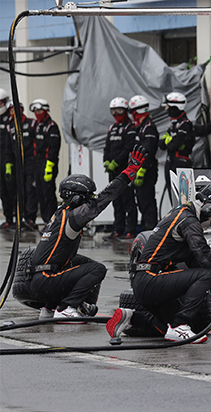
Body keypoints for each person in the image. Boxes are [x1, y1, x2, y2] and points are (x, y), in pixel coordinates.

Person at [106, 184, 211, 343]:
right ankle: (180, 324)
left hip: (145, 281)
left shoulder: (178, 214)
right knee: (207, 276)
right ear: (208, 209)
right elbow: (203, 255)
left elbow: (194, 261)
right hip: (151, 279)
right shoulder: (189, 221)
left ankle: (130, 318)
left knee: (166, 328)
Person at [28, 146, 146, 319]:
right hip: (46, 280)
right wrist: (129, 172)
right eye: (88, 196)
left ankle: (50, 308)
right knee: (97, 269)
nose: (91, 199)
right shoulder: (74, 216)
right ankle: (66, 308)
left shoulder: (59, 214)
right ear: (77, 198)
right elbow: (104, 198)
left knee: (79, 261)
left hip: (39, 281)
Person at [103, 97, 138, 239]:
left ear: (125, 111)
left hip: (125, 170)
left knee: (128, 200)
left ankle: (131, 230)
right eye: (113, 110)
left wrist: (116, 162)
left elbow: (128, 148)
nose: (116, 113)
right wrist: (106, 161)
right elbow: (107, 147)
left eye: (119, 110)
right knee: (115, 200)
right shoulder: (112, 128)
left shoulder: (130, 128)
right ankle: (118, 229)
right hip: (112, 171)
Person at [6, 101, 39, 231]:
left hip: (31, 163)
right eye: (11, 110)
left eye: (15, 109)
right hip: (17, 165)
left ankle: (30, 219)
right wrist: (8, 164)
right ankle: (19, 219)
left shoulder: (31, 124)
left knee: (30, 191)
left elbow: (38, 143)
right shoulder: (10, 127)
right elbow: (8, 148)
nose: (13, 112)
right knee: (18, 192)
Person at [129, 95, 159, 231]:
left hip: (147, 170)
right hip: (139, 169)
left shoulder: (149, 128)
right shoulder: (141, 127)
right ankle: (146, 229)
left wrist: (142, 169)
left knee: (147, 202)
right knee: (141, 201)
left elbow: (148, 151)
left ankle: (151, 230)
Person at [159, 92, 195, 204]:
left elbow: (173, 144)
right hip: (170, 163)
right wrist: (169, 140)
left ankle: (184, 220)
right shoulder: (173, 124)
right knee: (173, 198)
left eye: (168, 106)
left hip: (182, 165)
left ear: (176, 107)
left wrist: (169, 140)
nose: (166, 109)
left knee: (183, 199)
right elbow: (161, 145)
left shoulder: (185, 124)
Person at [30, 99, 61, 225]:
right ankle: (45, 220)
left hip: (48, 164)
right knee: (40, 194)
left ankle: (52, 222)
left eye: (39, 110)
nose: (37, 113)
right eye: (35, 111)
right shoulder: (37, 126)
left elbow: (54, 148)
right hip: (37, 164)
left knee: (48, 193)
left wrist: (49, 166)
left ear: (46, 110)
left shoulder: (52, 126)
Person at [0, 88, 16, 229]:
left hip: (9, 161)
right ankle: (8, 218)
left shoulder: (11, 120)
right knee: (2, 191)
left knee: (13, 190)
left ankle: (18, 218)